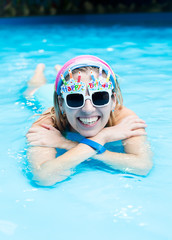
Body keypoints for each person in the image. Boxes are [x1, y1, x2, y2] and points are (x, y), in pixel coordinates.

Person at [26, 55, 152, 186]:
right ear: (61, 103)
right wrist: (100, 139)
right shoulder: (47, 125)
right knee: (33, 89)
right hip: (40, 94)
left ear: (113, 101)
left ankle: (59, 70)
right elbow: (43, 178)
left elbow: (142, 166)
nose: (88, 109)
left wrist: (66, 143)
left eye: (99, 97)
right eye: (74, 98)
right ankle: (39, 71)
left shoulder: (125, 119)